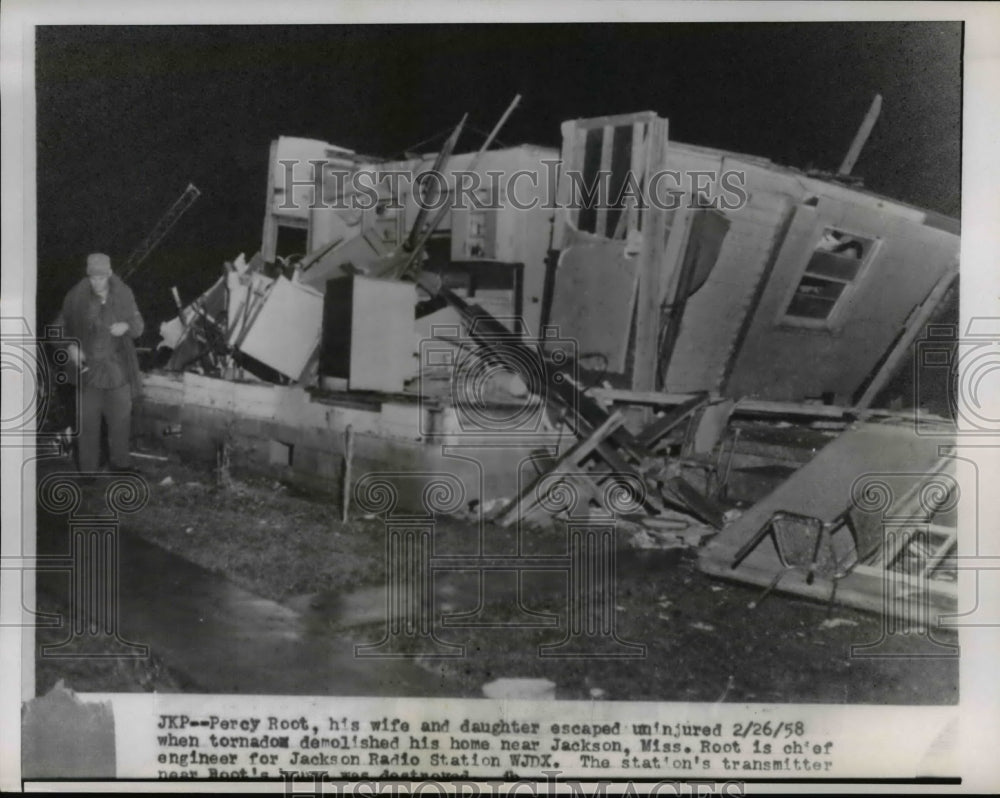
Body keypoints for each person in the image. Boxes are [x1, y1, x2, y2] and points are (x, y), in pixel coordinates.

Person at [55, 253, 144, 473]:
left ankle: (121, 464)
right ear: (88, 275)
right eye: (92, 277)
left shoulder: (124, 294)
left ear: (110, 274)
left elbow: (139, 325)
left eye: (101, 278)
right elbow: (57, 330)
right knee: (88, 423)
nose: (96, 283)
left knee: (121, 421)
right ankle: (88, 471)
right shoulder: (76, 297)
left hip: (118, 370)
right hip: (89, 372)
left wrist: (126, 326)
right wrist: (70, 347)